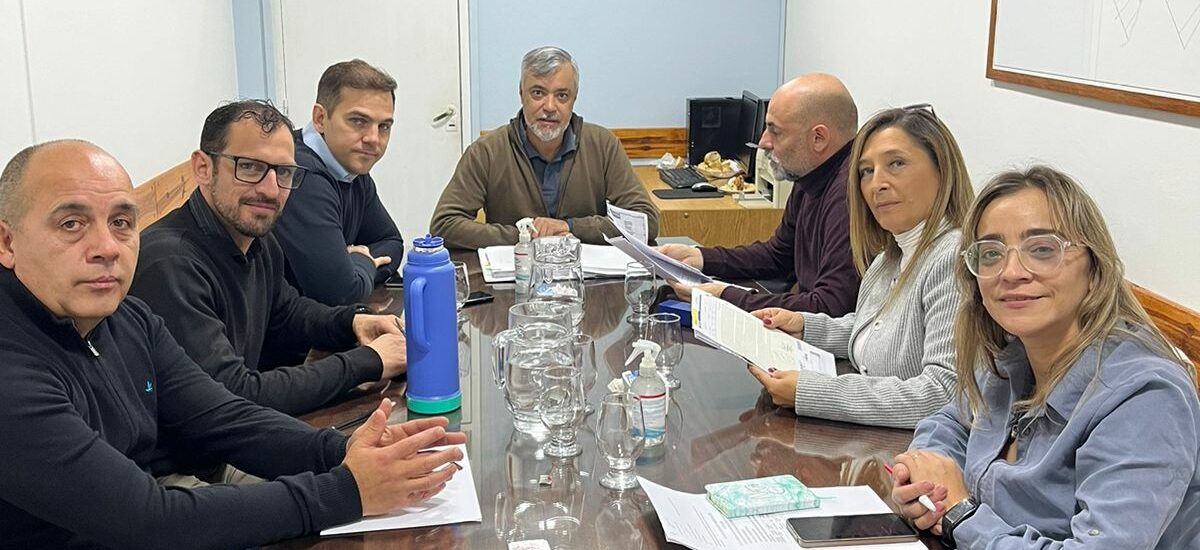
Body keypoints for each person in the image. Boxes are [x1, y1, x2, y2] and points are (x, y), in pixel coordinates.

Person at [0, 140, 465, 549]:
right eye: (71, 224)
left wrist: (341, 451)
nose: (106, 247)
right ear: (7, 242)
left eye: (121, 222)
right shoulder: (12, 375)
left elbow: (224, 418)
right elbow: (147, 520)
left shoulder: (126, 318)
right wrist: (348, 488)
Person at [892, 166, 1200, 548]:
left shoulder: (1146, 397)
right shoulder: (1014, 355)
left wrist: (960, 514)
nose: (1011, 272)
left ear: (1094, 267)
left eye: (1042, 250)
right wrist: (927, 482)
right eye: (991, 253)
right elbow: (950, 421)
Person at [131, 100, 407, 415]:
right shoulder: (170, 263)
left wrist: (352, 322)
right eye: (250, 167)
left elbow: (288, 312)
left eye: (284, 172)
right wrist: (369, 361)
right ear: (203, 168)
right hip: (191, 461)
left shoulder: (257, 240)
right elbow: (232, 395)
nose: (271, 190)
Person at [749, 105, 974, 429]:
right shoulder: (890, 256)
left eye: (896, 164)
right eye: (866, 171)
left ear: (942, 169)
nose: (876, 184)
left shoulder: (952, 258)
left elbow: (942, 394)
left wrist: (814, 392)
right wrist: (805, 328)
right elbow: (880, 328)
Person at [658, 74, 860, 314]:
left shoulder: (849, 195)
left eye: (776, 132)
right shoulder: (810, 176)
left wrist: (725, 296)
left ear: (818, 138)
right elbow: (777, 256)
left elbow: (829, 307)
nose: (763, 142)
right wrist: (699, 257)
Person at [429, 46, 659, 249]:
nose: (549, 107)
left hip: (586, 280)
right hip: (515, 279)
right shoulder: (487, 151)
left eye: (561, 95)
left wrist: (569, 227)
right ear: (521, 94)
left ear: (574, 98)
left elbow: (645, 221)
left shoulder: (602, 145)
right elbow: (444, 225)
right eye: (538, 93)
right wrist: (525, 236)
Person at [273, 59, 405, 306]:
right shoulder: (300, 175)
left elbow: (393, 243)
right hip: (288, 337)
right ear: (321, 118)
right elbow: (342, 293)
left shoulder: (350, 167)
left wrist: (352, 265)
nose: (373, 139)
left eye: (384, 126)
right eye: (358, 121)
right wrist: (362, 263)